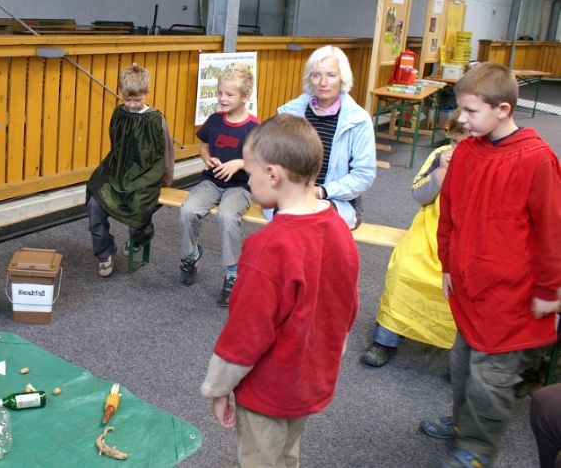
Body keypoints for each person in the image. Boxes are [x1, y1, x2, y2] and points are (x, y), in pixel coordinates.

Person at [420, 62, 561, 468]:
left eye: (470, 111)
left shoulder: (537, 160)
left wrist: (549, 291)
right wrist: (447, 264)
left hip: (512, 296)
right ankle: (465, 425)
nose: (460, 119)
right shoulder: (465, 152)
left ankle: (478, 449)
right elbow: (450, 215)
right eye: (460, 110)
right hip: (469, 288)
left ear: (502, 109)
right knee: (462, 366)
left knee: (490, 379)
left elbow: (552, 232)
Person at [200, 114, 359, 467]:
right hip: (310, 380)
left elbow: (245, 334)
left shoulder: (268, 247)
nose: (249, 180)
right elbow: (346, 308)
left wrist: (219, 388)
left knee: (261, 459)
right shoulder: (339, 228)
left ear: (272, 175)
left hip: (268, 390)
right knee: (288, 454)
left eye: (251, 172)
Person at [361, 110, 468, 367]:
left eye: (465, 142)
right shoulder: (438, 156)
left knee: (464, 288)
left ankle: (461, 353)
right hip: (428, 233)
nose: (458, 148)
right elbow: (420, 195)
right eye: (454, 141)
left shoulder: (489, 164)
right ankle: (385, 339)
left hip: (464, 240)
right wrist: (442, 171)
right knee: (403, 270)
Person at [179, 64, 258, 306]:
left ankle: (232, 274)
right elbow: (203, 145)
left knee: (226, 216)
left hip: (239, 187)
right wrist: (207, 158)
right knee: (187, 211)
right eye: (220, 93)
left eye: (229, 94)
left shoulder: (255, 127)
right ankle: (191, 255)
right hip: (211, 181)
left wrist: (239, 163)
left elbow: (260, 161)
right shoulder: (214, 120)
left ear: (245, 97)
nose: (222, 98)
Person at [85, 64, 174, 277]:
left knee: (139, 202)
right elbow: (115, 144)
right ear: (121, 95)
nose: (132, 105)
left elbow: (167, 151)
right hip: (118, 168)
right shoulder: (119, 113)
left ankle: (140, 237)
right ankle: (104, 252)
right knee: (95, 198)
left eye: (137, 100)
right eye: (127, 100)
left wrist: (166, 178)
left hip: (146, 172)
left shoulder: (155, 119)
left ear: (146, 94)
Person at [278, 45, 376, 230]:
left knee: (306, 219)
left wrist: (321, 191)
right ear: (310, 79)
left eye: (331, 75)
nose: (323, 82)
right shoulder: (290, 112)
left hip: (336, 200)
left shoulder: (358, 120)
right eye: (316, 75)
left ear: (342, 79)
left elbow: (363, 175)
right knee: (291, 218)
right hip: (291, 195)